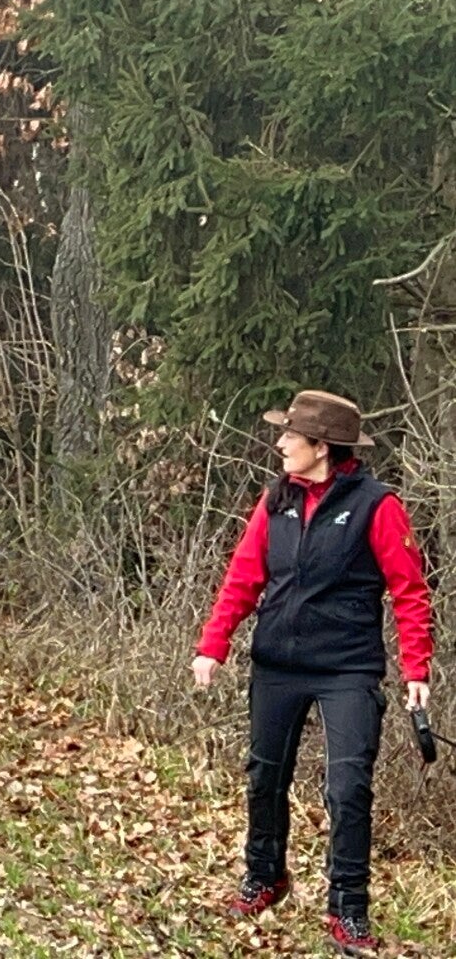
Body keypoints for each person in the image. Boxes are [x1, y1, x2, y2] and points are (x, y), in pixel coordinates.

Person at [192, 391, 433, 957]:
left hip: (348, 669)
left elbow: (409, 590)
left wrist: (415, 668)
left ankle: (348, 908)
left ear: (321, 447)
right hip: (278, 663)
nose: (280, 443)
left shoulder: (378, 506)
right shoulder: (274, 500)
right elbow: (243, 577)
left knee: (348, 790)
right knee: (264, 778)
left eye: (290, 436)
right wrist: (213, 645)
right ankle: (264, 876)